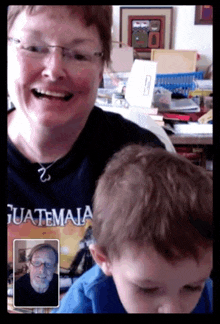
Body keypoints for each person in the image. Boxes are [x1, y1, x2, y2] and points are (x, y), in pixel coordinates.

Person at [7, 6, 164, 273]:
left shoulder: (143, 158)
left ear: (101, 70)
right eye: (34, 48)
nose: (54, 71)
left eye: (79, 54)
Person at [52, 145, 213, 313]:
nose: (172, 310)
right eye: (147, 289)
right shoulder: (83, 304)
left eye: (191, 288)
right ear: (103, 259)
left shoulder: (206, 292)